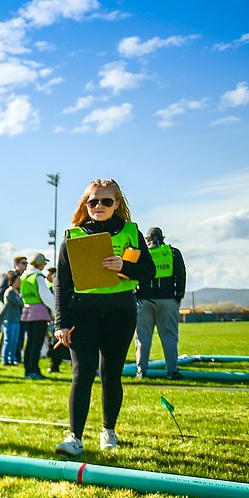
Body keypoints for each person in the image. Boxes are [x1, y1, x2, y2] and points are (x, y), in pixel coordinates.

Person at [53, 179, 155, 457]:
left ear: (117, 204)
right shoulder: (72, 236)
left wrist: (125, 266)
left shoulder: (132, 233)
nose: (99, 206)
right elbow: (61, 283)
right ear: (85, 205)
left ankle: (108, 430)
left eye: (106, 201)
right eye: (93, 202)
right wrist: (60, 323)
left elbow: (149, 271)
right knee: (81, 374)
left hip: (121, 312)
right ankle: (74, 437)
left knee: (111, 375)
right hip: (83, 313)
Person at [135, 227, 187, 380]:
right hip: (168, 299)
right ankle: (172, 371)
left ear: (147, 239)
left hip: (144, 300)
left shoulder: (141, 254)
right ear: (162, 237)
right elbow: (181, 274)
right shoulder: (173, 252)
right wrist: (178, 296)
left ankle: (141, 372)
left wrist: (137, 295)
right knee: (169, 337)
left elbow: (132, 274)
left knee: (142, 338)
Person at [20, 252, 55, 379]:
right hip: (39, 312)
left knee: (30, 342)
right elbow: (46, 297)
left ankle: (28, 369)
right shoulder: (38, 277)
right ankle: (35, 369)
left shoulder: (25, 276)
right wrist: (55, 311)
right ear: (40, 264)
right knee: (37, 342)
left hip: (28, 310)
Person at [0, 271, 24, 366]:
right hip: (9, 320)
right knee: (8, 341)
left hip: (16, 319)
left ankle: (12, 358)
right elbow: (20, 303)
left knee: (14, 341)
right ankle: (5, 360)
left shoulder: (17, 292)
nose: (19, 282)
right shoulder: (10, 292)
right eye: (18, 280)